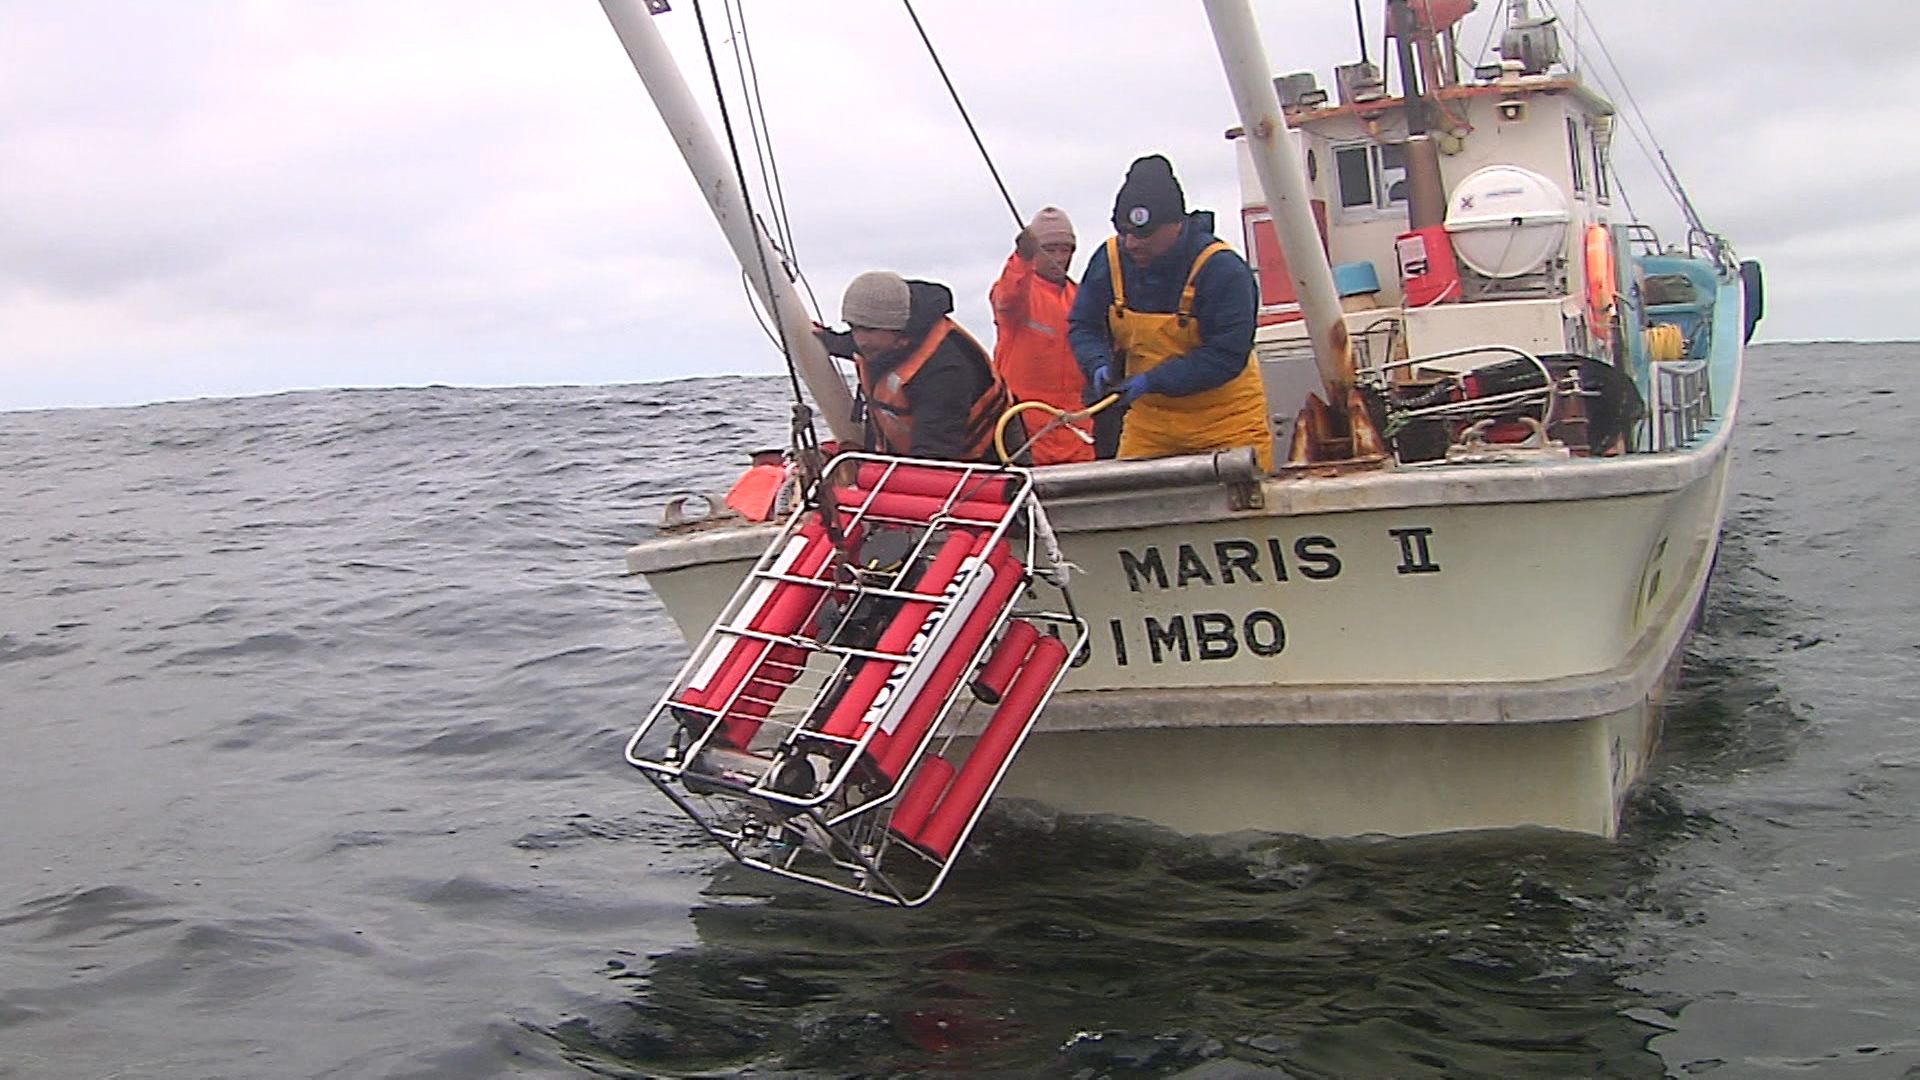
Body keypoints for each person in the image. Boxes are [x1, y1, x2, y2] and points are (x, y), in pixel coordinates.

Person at [1067, 154, 1273, 469]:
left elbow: (1226, 355)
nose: (1132, 243)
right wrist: (1097, 364)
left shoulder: (1221, 269)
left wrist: (1153, 381)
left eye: (1144, 234)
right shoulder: (1109, 261)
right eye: (1125, 233)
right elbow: (1083, 325)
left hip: (1228, 425)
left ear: (1176, 224)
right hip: (1149, 427)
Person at [818, 270, 1017, 463]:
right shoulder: (882, 340)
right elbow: (852, 343)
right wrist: (823, 339)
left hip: (984, 464)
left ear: (898, 327)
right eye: (854, 327)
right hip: (921, 455)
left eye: (869, 330)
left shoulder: (945, 371)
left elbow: (933, 456)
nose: (860, 341)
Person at [988, 206, 1094, 465]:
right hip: (1023, 429)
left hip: (1076, 429)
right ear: (1035, 250)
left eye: (1065, 249)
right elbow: (1007, 298)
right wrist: (1020, 259)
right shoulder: (1018, 296)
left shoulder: (1082, 298)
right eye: (1050, 249)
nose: (1059, 257)